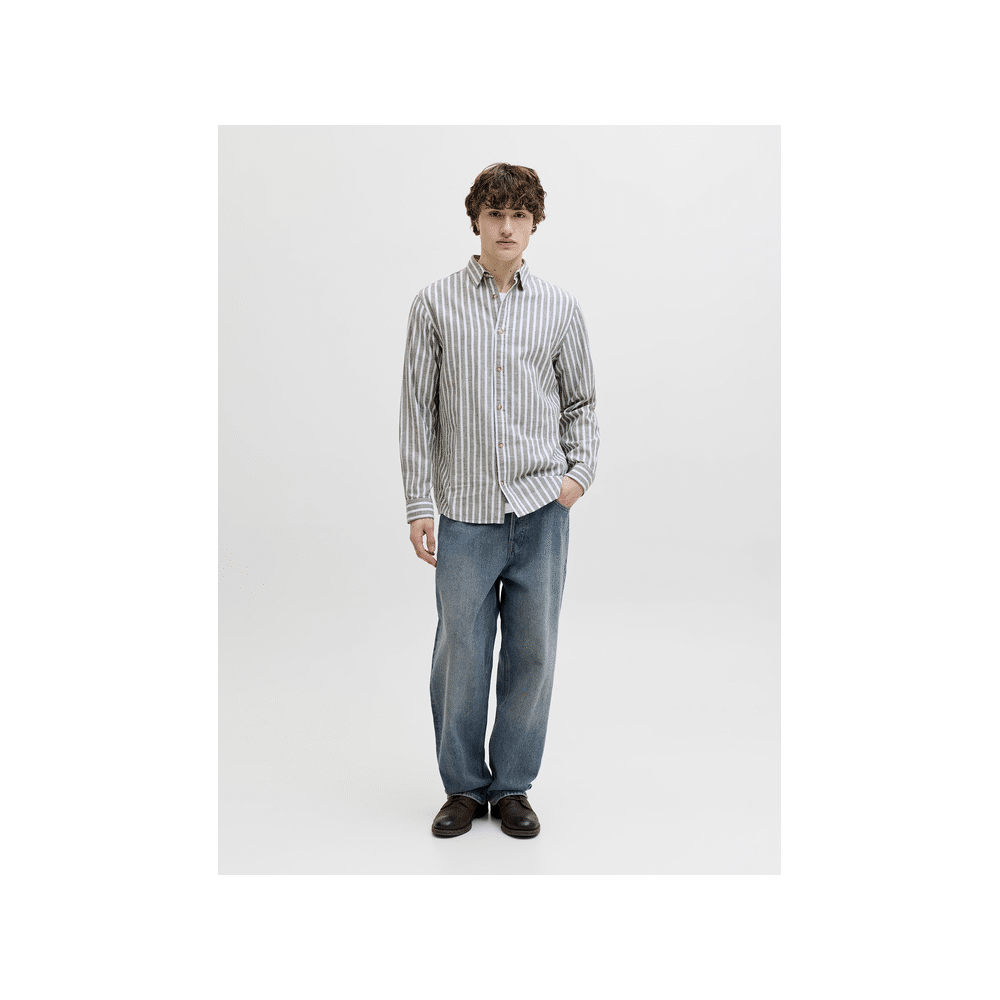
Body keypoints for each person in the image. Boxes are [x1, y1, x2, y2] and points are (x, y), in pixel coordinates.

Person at [399, 162, 599, 839]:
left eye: (519, 215)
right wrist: (418, 505)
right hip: (465, 511)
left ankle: (512, 787)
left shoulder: (560, 308)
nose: (506, 226)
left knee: (533, 654)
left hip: (543, 509)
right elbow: (416, 411)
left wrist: (577, 476)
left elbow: (580, 402)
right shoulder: (434, 304)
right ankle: (462, 788)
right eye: (495, 214)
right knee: (461, 654)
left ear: (534, 224)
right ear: (476, 221)